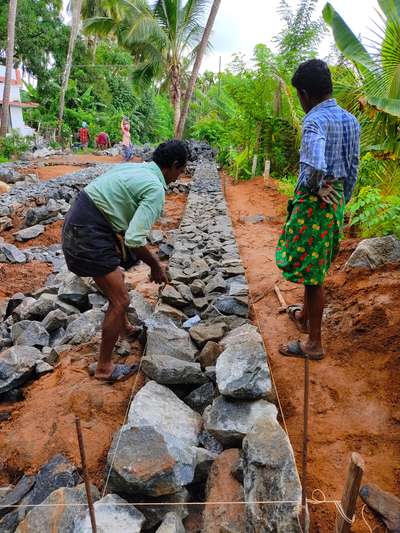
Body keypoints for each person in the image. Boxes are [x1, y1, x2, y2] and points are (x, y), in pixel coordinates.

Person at [62, 140, 189, 382]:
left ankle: (127, 330)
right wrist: (155, 266)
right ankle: (104, 368)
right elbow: (133, 239)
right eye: (181, 171)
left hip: (80, 220)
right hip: (88, 231)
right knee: (120, 300)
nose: (179, 177)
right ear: (173, 166)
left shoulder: (136, 168)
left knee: (118, 275)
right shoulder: (154, 188)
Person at [276, 59, 360, 360]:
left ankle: (314, 343)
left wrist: (313, 189)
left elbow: (313, 164)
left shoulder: (314, 120)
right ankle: (304, 318)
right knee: (316, 264)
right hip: (334, 200)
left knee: (313, 276)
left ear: (305, 94)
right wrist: (341, 197)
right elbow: (353, 167)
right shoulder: (350, 120)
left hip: (316, 201)